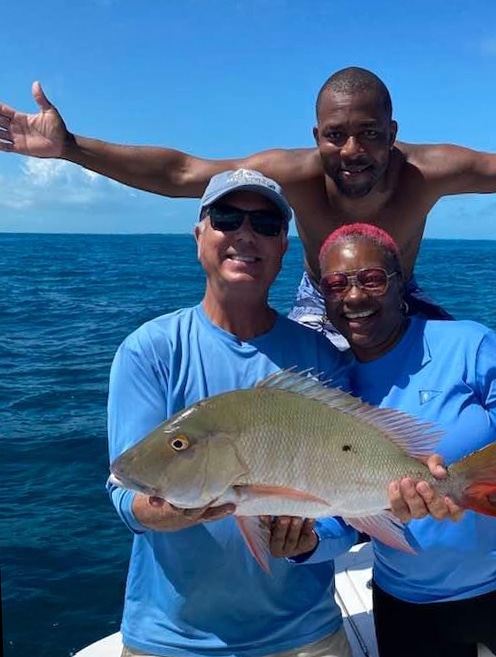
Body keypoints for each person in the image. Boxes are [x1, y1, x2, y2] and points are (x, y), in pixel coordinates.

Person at [1, 68, 496, 346]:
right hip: (315, 298)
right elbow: (186, 172)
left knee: (457, 376)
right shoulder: (296, 178)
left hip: (401, 294)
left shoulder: (425, 174)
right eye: (337, 135)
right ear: (318, 138)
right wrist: (71, 148)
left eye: (370, 133)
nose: (354, 150)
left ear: (393, 133)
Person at [274, 223, 496, 657]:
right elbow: (344, 521)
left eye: (371, 279)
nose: (354, 296)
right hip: (409, 608)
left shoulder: (468, 343)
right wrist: (306, 544)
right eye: (336, 284)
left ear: (399, 282)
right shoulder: (331, 391)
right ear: (323, 296)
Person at [106, 168, 354, 657]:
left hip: (304, 634)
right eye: (226, 217)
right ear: (199, 234)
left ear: (284, 246)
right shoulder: (150, 351)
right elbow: (125, 492)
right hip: (170, 640)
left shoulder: (322, 358)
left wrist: (308, 540)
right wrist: (171, 508)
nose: (245, 234)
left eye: (265, 224)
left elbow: (347, 511)